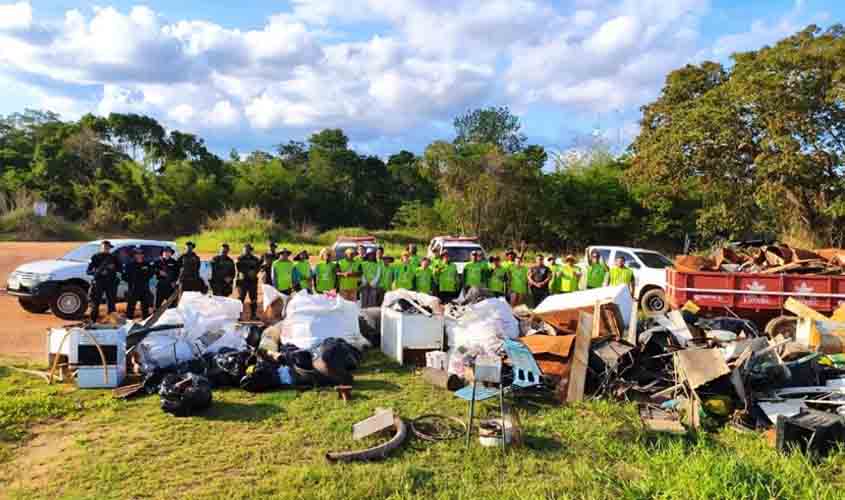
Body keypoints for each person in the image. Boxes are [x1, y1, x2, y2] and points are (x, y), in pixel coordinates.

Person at [86, 240, 120, 322]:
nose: (106, 249)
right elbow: (88, 271)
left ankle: (112, 322)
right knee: (96, 302)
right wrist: (99, 272)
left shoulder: (113, 257)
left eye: (108, 247)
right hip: (99, 282)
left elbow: (120, 269)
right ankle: (93, 321)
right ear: (101, 247)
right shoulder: (95, 257)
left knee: (111, 303)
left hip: (111, 283)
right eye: (105, 247)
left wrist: (113, 269)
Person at [124, 247, 154, 319]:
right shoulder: (129, 265)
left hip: (144, 289)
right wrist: (134, 278)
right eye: (137, 254)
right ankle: (128, 324)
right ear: (134, 255)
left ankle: (145, 324)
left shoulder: (147, 264)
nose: (139, 255)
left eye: (141, 254)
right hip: (133, 289)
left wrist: (141, 275)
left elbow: (151, 274)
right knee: (130, 309)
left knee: (145, 309)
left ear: (143, 255)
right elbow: (124, 277)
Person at [236, 244, 261, 319]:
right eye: (246, 249)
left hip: (252, 281)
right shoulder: (240, 258)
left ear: (251, 250)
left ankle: (253, 315)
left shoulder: (255, 259)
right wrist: (248, 272)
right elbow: (239, 268)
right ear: (243, 250)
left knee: (253, 299)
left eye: (249, 249)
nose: (247, 251)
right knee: (241, 299)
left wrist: (254, 272)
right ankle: (238, 315)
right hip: (242, 282)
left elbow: (258, 267)